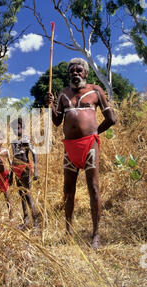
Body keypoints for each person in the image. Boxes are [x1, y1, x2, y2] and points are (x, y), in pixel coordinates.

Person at [46, 58, 116, 249]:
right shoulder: (63, 95)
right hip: (70, 147)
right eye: (72, 71)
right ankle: (68, 232)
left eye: (79, 70)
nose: (76, 73)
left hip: (89, 145)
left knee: (93, 188)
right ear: (69, 74)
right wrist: (51, 105)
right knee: (68, 190)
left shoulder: (96, 91)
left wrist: (94, 134)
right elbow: (57, 122)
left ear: (85, 73)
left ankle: (96, 234)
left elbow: (112, 118)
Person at [11, 117, 40, 230]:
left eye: (18, 128)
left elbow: (34, 154)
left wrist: (36, 170)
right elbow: (14, 157)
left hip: (25, 168)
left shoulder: (26, 139)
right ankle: (26, 220)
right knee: (21, 195)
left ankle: (36, 223)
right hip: (16, 168)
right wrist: (11, 172)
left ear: (22, 128)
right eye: (14, 128)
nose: (16, 130)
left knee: (27, 195)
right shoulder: (13, 141)